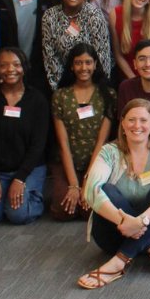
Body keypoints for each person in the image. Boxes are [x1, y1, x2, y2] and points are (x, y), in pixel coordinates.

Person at [76, 99, 150, 289]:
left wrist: (141, 222)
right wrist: (125, 223)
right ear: (123, 123)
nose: (137, 125)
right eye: (132, 120)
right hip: (113, 235)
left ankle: (119, 262)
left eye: (143, 120)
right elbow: (91, 190)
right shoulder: (109, 152)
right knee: (107, 190)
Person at [0, 47, 49, 226]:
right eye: (4, 65)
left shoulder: (37, 100)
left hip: (29, 169)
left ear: (24, 68)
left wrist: (20, 178)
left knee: (18, 215)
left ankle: (25, 197)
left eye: (16, 64)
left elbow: (38, 145)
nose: (10, 70)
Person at [47, 43, 116, 222]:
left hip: (97, 162)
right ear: (71, 65)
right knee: (64, 210)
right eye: (78, 63)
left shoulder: (107, 94)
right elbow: (63, 144)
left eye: (88, 62)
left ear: (95, 64)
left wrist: (88, 180)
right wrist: (74, 185)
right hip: (67, 162)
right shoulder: (60, 96)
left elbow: (102, 141)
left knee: (89, 210)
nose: (83, 68)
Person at [40, 0, 113, 89]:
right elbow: (50, 56)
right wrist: (60, 90)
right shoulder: (50, 16)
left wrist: (95, 89)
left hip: (93, 81)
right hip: (63, 81)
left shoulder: (94, 15)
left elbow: (102, 55)